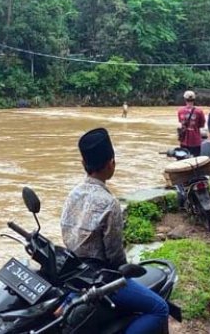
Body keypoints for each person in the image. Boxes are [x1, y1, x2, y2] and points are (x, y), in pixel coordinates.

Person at [61, 128, 169, 333]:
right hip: (102, 279)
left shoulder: (72, 194)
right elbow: (115, 257)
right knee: (159, 308)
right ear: (111, 163)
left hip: (75, 273)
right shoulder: (109, 203)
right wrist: (125, 269)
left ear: (84, 164)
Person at [177, 90, 206, 157]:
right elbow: (202, 125)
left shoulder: (180, 111)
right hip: (195, 140)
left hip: (184, 140)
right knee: (195, 160)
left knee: (183, 159)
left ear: (185, 99)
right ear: (194, 99)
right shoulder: (199, 111)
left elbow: (180, 122)